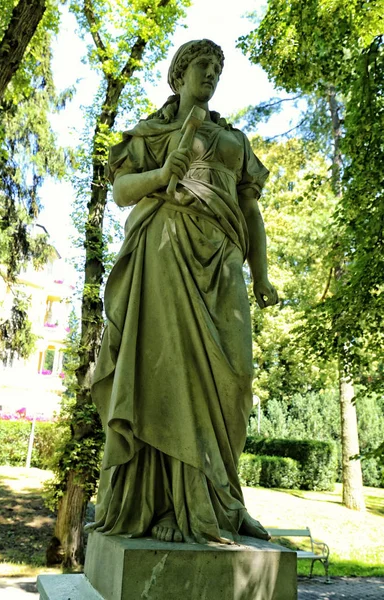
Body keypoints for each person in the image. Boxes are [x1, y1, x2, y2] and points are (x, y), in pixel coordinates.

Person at [89, 39, 278, 545]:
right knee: (168, 373)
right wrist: (160, 172)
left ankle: (224, 501)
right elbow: (122, 192)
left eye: (218, 67)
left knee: (234, 377)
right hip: (166, 253)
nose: (212, 72)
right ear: (179, 74)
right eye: (202, 64)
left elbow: (251, 211)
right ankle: (173, 506)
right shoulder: (152, 134)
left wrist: (260, 275)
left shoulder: (233, 139)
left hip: (223, 261)